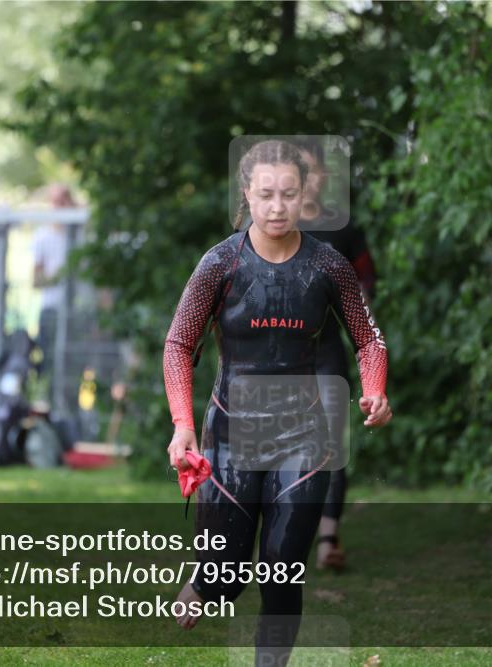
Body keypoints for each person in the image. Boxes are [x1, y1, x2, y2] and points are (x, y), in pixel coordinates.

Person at [163, 139, 391, 665]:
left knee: (282, 568)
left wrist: (375, 388)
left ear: (304, 194)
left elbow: (369, 338)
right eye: (266, 194)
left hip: (303, 437)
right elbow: (178, 344)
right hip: (231, 434)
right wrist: (182, 424)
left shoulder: (328, 265)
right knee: (226, 577)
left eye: (288, 194)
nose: (277, 206)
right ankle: (207, 581)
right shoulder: (220, 263)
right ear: (247, 193)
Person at [292, 137, 378, 571]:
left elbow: (366, 282)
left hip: (325, 352)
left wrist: (362, 330)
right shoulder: (270, 224)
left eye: (316, 170)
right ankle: (285, 532)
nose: (310, 179)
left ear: (325, 176)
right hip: (274, 357)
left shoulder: (343, 229)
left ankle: (328, 537)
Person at [32, 184, 74, 411]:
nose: (60, 206)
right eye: (55, 202)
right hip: (51, 309)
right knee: (49, 362)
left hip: (77, 312)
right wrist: (59, 277)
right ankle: (50, 409)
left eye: (64, 200)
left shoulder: (80, 235)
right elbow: (35, 280)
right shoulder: (42, 236)